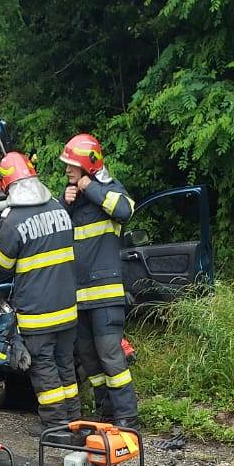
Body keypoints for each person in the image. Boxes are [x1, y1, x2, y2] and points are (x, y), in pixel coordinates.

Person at [0, 152, 80, 431]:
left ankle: (56, 426)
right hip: (67, 306)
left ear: (6, 184)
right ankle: (74, 421)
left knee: (44, 366)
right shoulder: (58, 208)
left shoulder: (14, 221)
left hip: (38, 313)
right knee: (65, 364)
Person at [60, 134, 138, 428]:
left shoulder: (109, 190)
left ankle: (127, 420)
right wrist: (63, 203)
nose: (67, 170)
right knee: (90, 361)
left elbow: (124, 211)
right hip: (77, 297)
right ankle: (106, 415)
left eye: (71, 165)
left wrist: (88, 187)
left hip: (105, 297)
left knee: (111, 357)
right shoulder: (70, 198)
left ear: (86, 167)